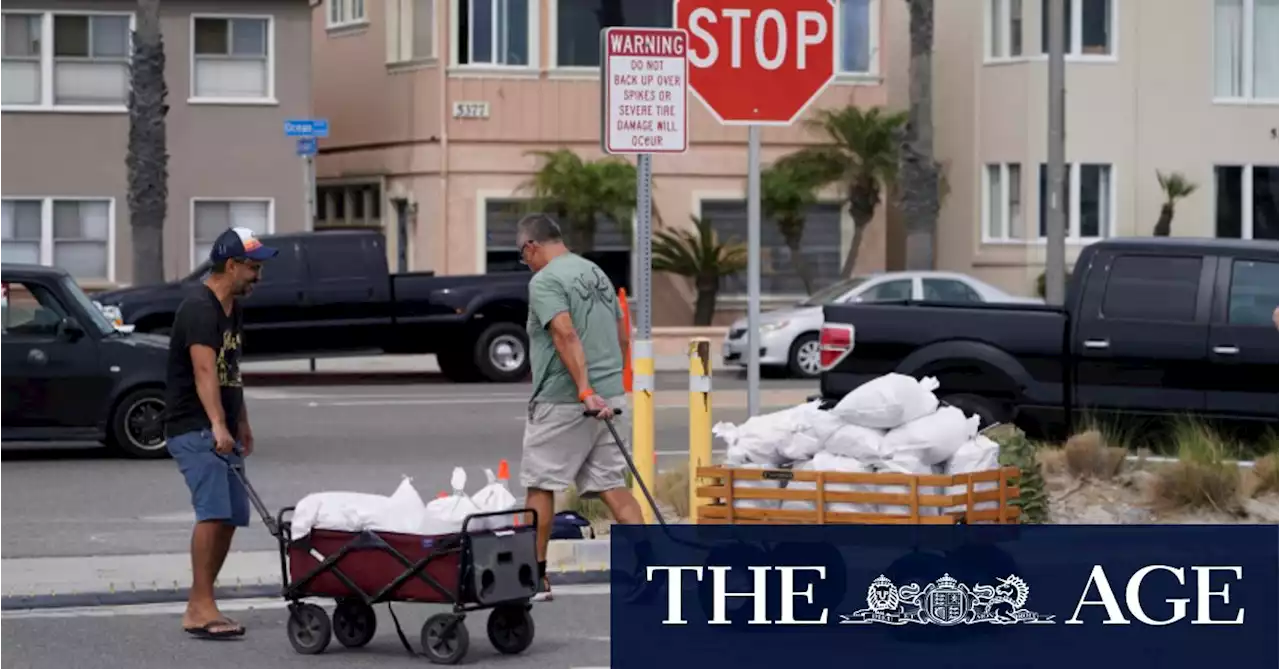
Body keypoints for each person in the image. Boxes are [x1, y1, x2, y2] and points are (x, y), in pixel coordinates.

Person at [516, 213, 645, 601]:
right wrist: (610, 385)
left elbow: (564, 331)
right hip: (611, 398)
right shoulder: (597, 274)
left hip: (565, 399)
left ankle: (535, 578)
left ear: (531, 247)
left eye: (524, 257)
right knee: (613, 488)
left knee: (541, 485)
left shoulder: (546, 280)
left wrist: (585, 389)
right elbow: (624, 333)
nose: (527, 264)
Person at [163, 227, 276, 639]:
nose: (258, 277)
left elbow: (231, 371)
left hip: (221, 426)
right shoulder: (199, 307)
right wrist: (216, 424)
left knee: (229, 515)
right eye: (254, 268)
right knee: (212, 513)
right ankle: (199, 605)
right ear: (232, 265)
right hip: (194, 427)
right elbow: (204, 369)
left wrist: (241, 420)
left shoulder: (233, 309)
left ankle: (202, 600)